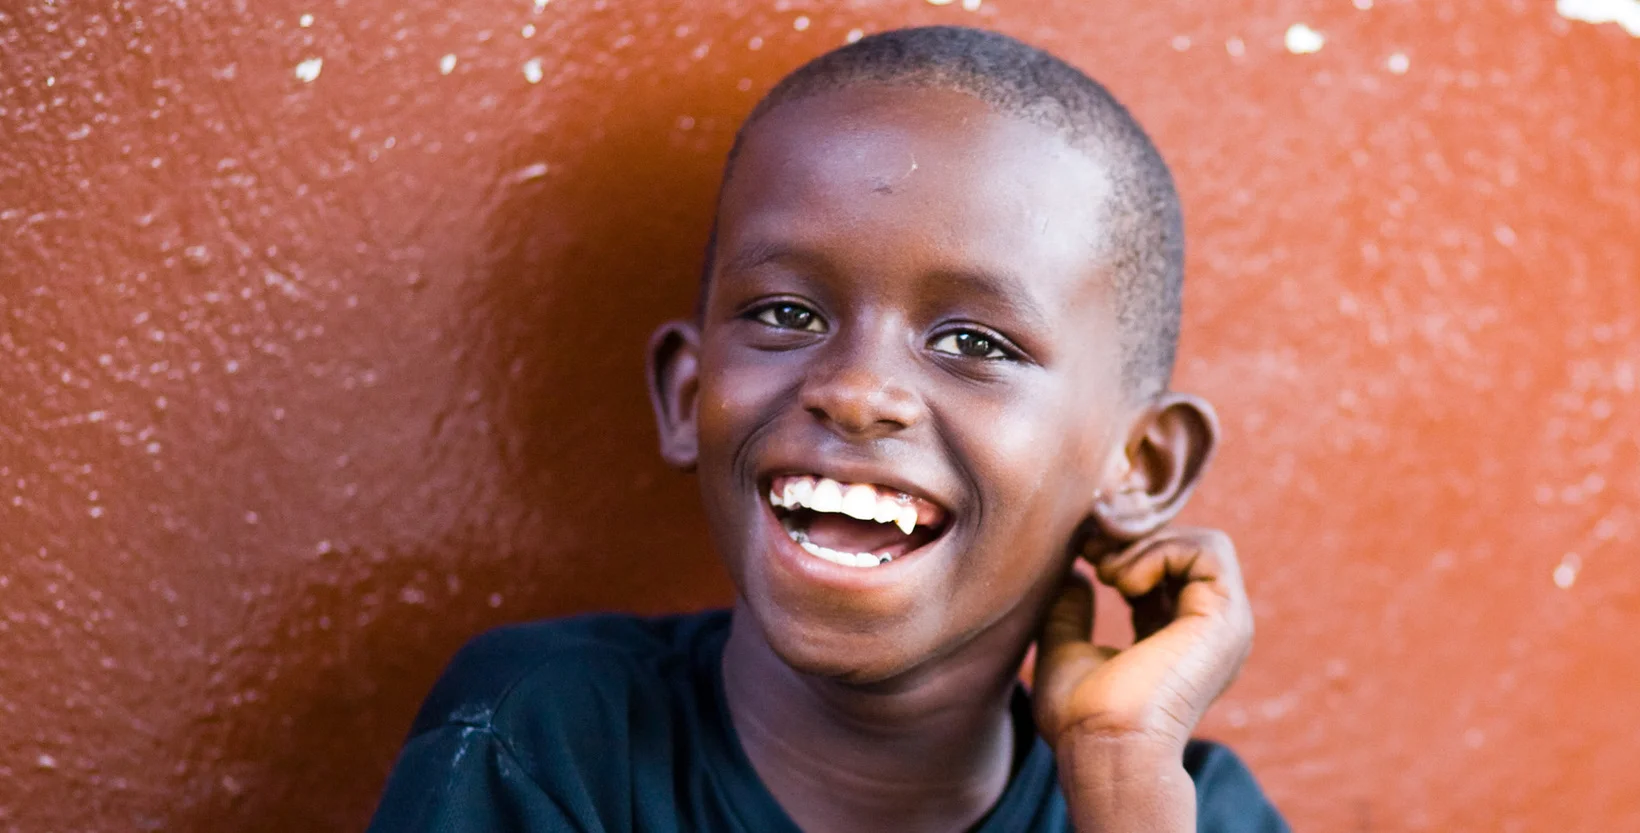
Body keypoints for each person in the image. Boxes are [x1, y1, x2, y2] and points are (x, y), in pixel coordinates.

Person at [367, 26, 1285, 833]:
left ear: (1140, 465)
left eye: (973, 340)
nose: (855, 391)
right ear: (688, 395)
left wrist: (1122, 778)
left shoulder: (1185, 804)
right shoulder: (551, 738)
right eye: (788, 314)